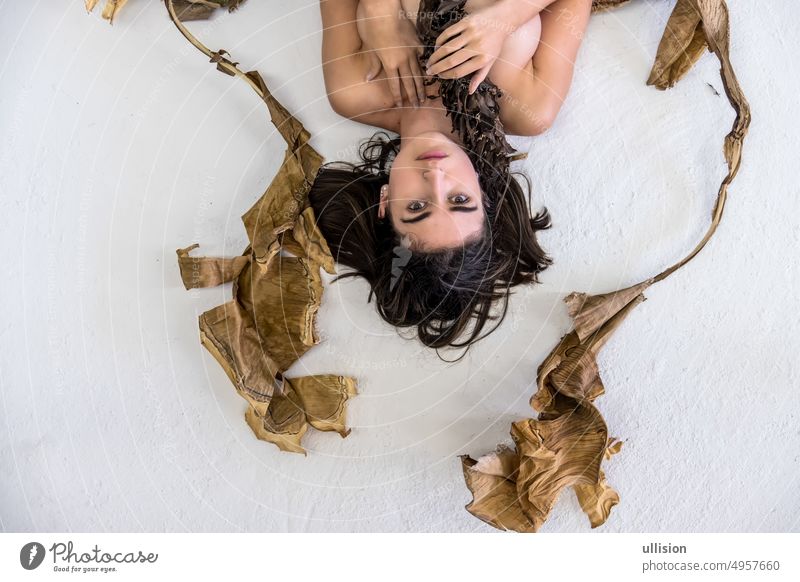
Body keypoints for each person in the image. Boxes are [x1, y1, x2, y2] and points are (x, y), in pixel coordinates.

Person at [309, 0, 592, 354]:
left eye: (416, 206)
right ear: (484, 195)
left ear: (385, 202)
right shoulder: (529, 108)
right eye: (459, 200)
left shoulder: (354, 90)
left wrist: (380, 13)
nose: (436, 176)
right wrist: (506, 16)